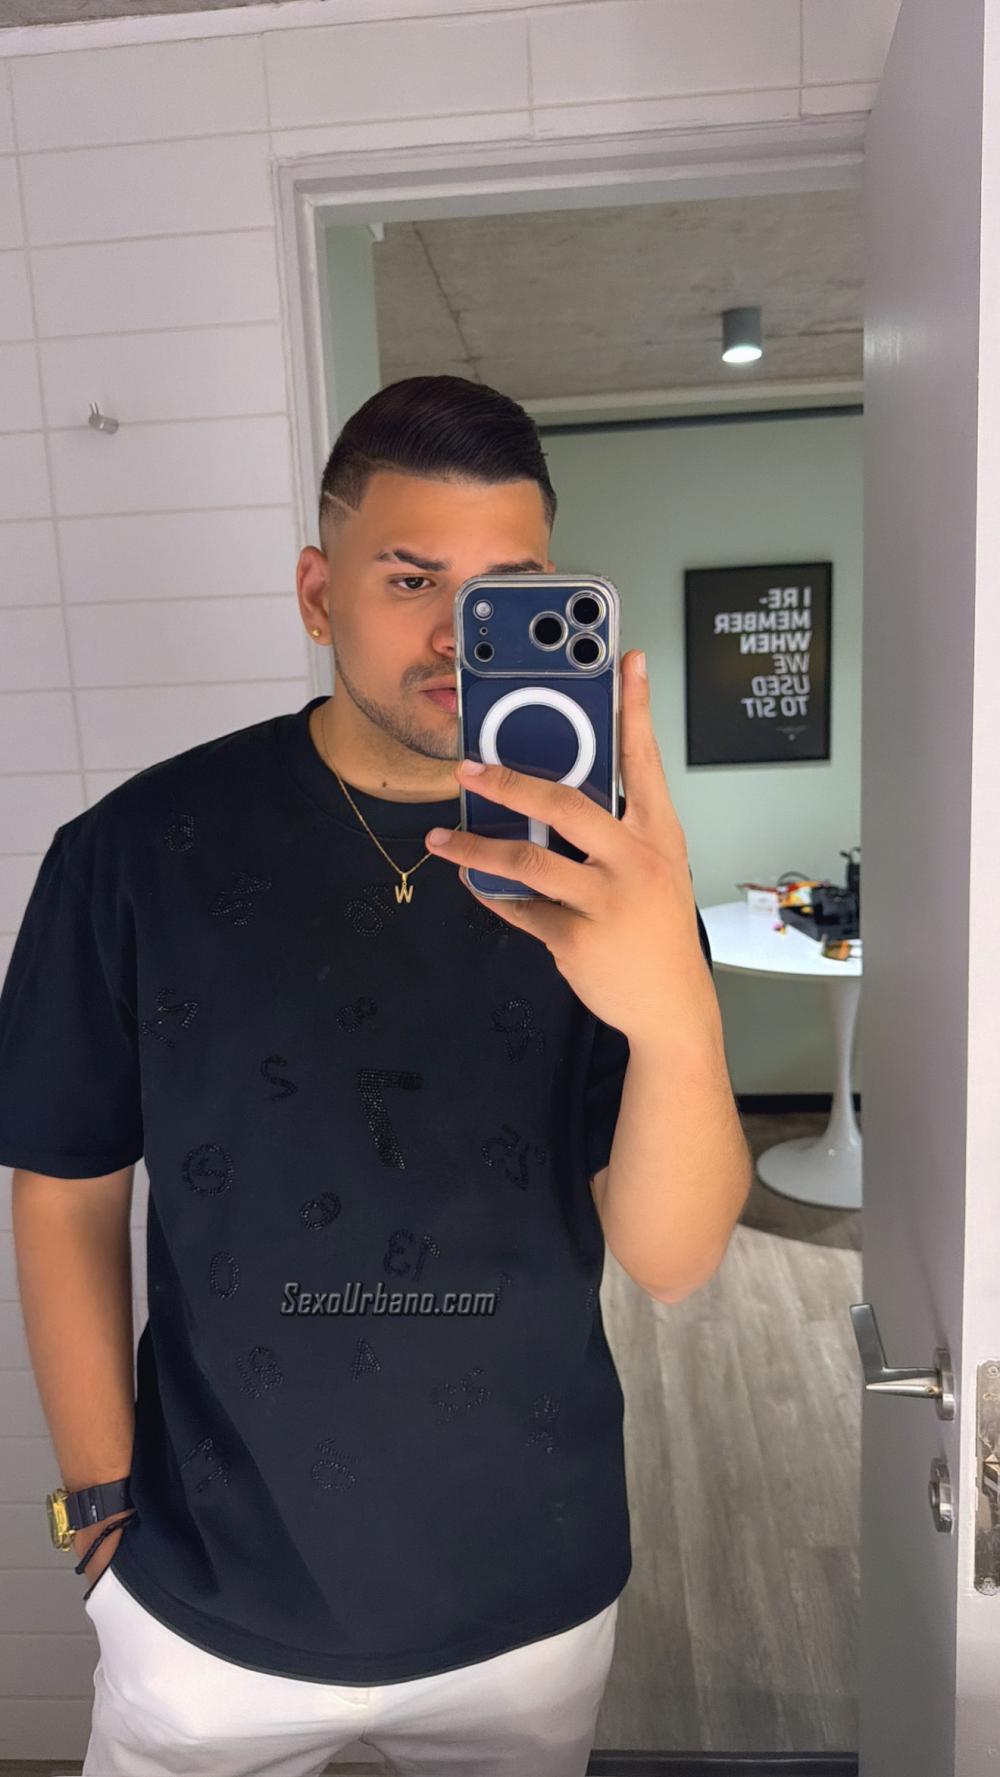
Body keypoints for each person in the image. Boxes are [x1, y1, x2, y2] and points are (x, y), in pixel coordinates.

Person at [1, 375, 711, 1777]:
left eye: (508, 591)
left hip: (527, 1593)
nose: (457, 633)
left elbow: (673, 1258)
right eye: (410, 577)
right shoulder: (131, 856)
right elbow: (65, 1188)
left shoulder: (609, 871)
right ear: (319, 594)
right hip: (206, 1604)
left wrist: (679, 1015)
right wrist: (94, 1506)